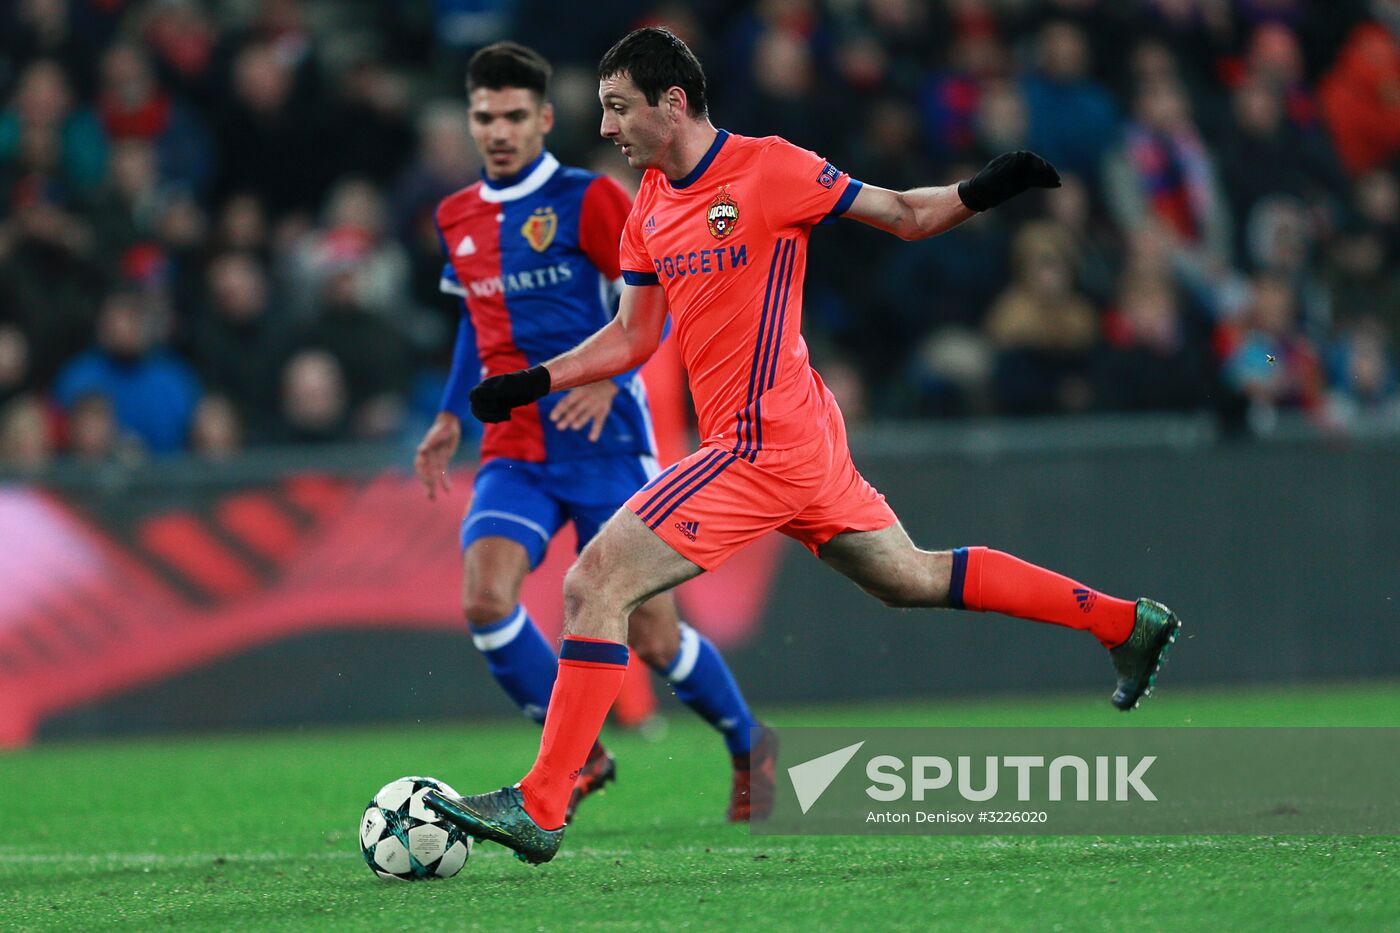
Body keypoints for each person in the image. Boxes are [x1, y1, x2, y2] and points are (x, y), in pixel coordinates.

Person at [425, 27, 1182, 864]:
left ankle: (541, 803)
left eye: (616, 108)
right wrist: (536, 382)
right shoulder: (647, 203)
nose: (606, 128)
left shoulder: (770, 167)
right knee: (913, 577)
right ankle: (1124, 622)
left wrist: (987, 186)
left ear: (670, 104)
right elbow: (633, 336)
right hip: (793, 441)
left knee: (593, 582)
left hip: (765, 441)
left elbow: (900, 213)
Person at [411, 41, 766, 825]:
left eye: (512, 115)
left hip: (604, 441)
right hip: (515, 448)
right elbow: (477, 320)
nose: (497, 131)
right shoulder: (456, 215)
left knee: (653, 631)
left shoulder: (592, 200)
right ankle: (578, 757)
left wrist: (608, 376)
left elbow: (658, 294)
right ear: (470, 121)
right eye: (483, 117)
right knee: (484, 596)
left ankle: (748, 740)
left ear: (541, 118)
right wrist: (447, 412)